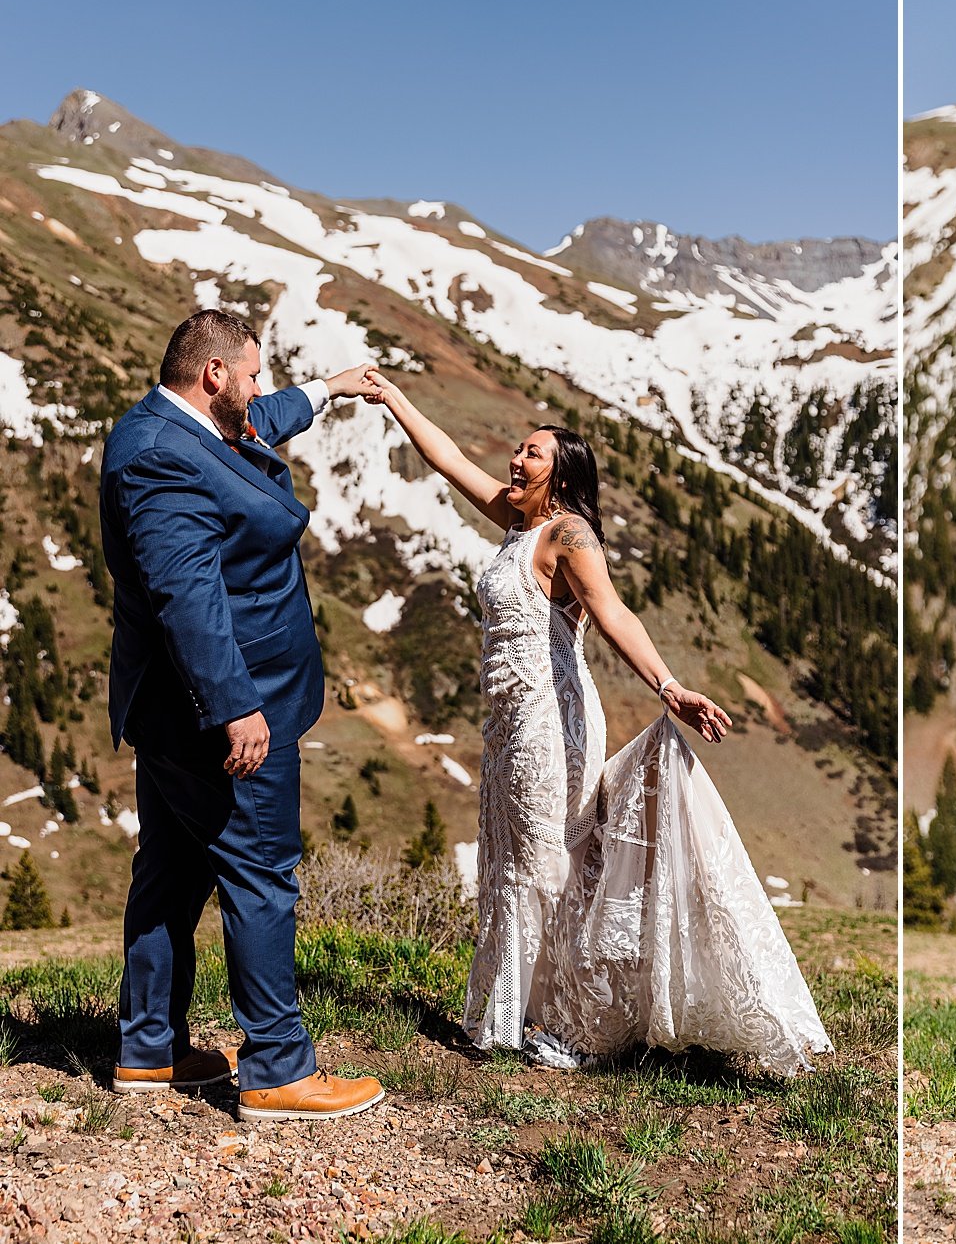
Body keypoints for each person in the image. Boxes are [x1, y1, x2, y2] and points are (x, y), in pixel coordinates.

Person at [363, 369, 832, 1074]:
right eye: (517, 451)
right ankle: (511, 1016)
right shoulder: (518, 523)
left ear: (561, 474)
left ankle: (567, 1022)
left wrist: (669, 686)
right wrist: (392, 397)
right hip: (507, 721)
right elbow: (448, 460)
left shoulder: (569, 532)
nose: (515, 460)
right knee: (512, 863)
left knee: (546, 866)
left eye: (532, 454)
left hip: (551, 721)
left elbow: (612, 613)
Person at [102, 309, 387, 1121]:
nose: (260, 390)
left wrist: (331, 391)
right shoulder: (158, 458)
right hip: (220, 709)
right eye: (253, 374)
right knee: (261, 875)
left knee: (172, 870)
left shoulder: (193, 420)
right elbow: (186, 596)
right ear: (215, 375)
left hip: (172, 709)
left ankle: (149, 1051)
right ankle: (277, 1069)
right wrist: (236, 709)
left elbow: (266, 417)